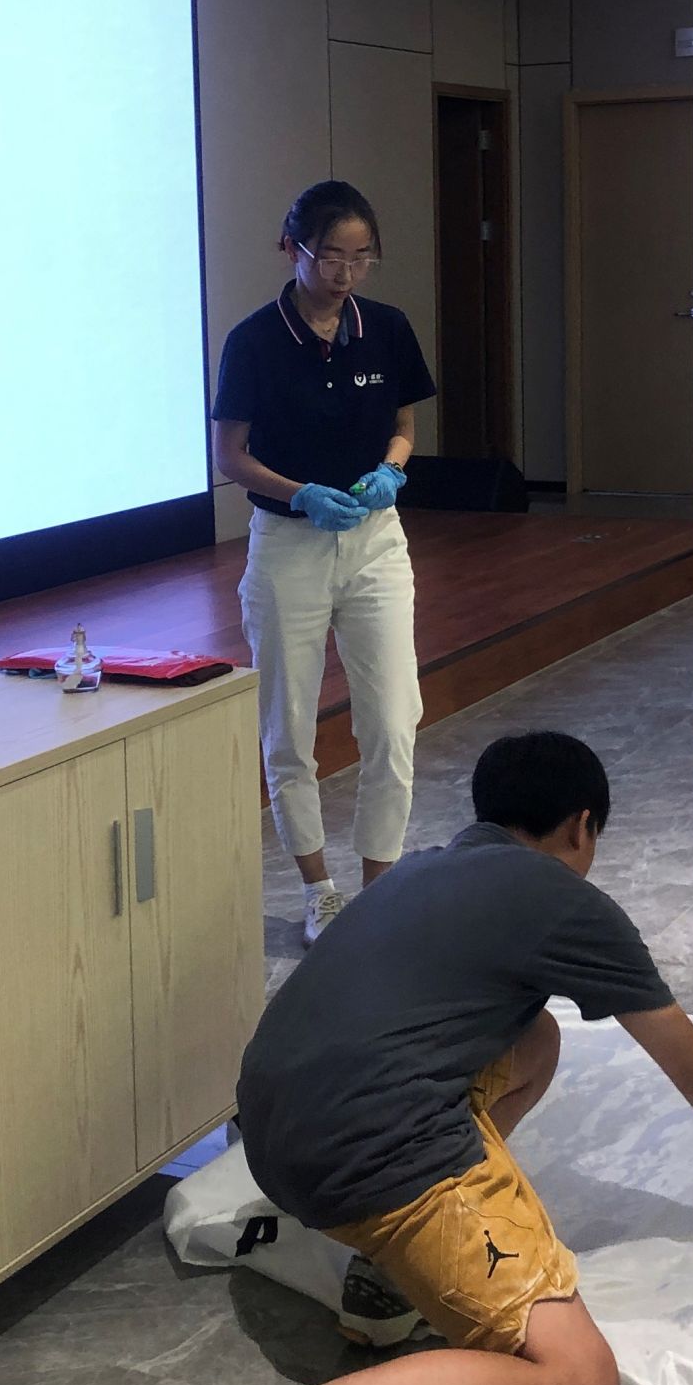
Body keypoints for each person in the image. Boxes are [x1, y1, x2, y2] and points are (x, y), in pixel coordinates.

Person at [134, 730, 693, 1385]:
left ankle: (393, 1275)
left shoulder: (418, 871)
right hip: (376, 1152)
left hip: (273, 1138)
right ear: (581, 826)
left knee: (535, 1037)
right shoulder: (565, 900)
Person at [211, 179, 436, 946]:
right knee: (288, 728)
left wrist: (393, 468)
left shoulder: (387, 328)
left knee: (395, 721)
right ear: (292, 249)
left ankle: (380, 887)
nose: (345, 273)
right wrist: (300, 493)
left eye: (362, 257)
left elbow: (403, 424)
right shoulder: (254, 340)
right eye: (331, 256)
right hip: (289, 547)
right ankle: (321, 891)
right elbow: (230, 455)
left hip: (376, 542)